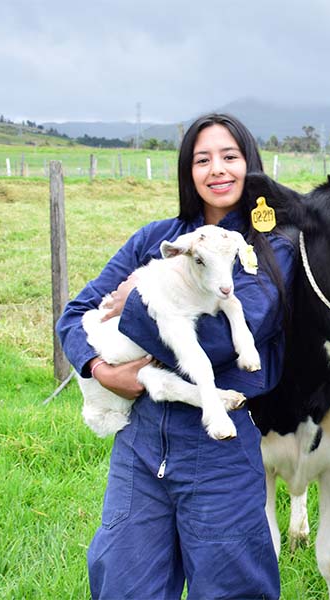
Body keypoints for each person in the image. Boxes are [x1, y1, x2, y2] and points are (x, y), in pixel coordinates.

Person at [57, 113, 295, 599]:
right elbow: (75, 313)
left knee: (231, 590)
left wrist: (130, 309)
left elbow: (221, 342)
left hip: (221, 448)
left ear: (250, 164)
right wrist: (100, 370)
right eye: (202, 159)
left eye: (230, 157)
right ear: (188, 171)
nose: (217, 170)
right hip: (140, 445)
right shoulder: (155, 239)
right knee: (124, 585)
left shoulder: (268, 250)